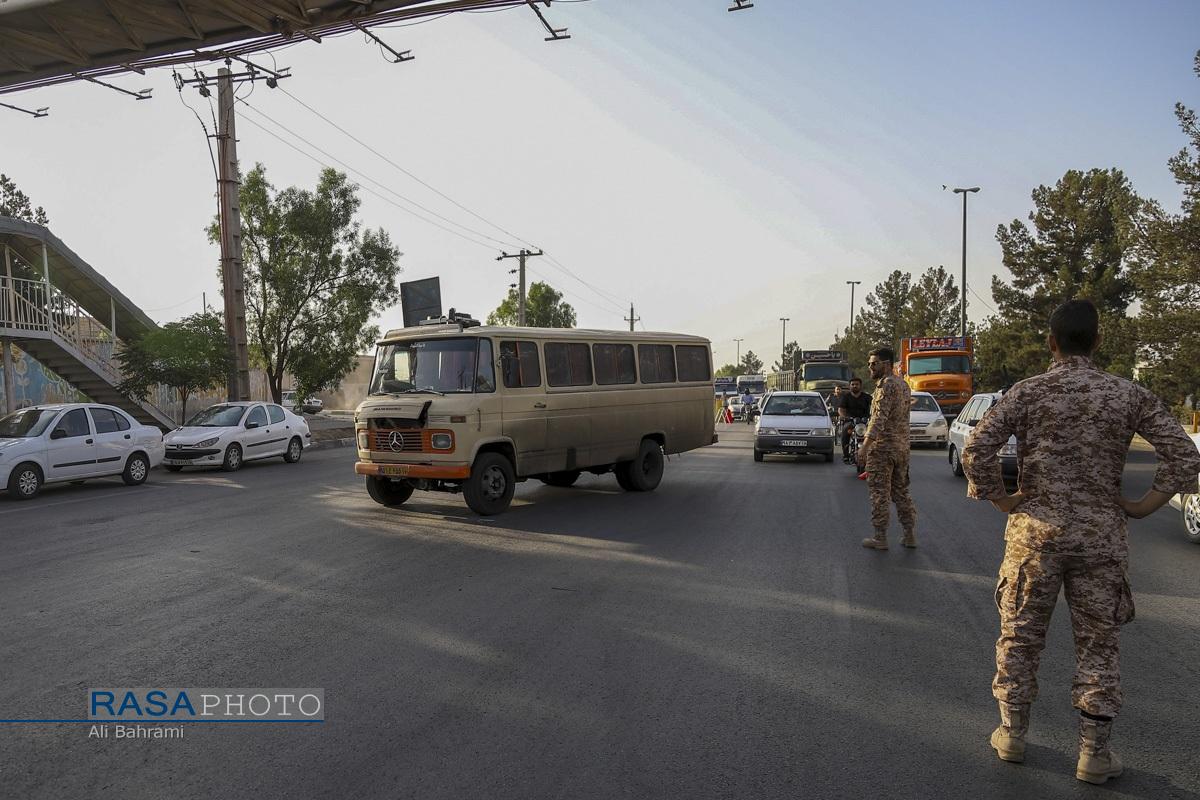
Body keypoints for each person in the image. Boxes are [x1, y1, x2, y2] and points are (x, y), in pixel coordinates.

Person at [962, 299, 1200, 785]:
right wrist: (1145, 504)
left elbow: (977, 447)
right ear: (1097, 341)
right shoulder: (1127, 394)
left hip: (1034, 538)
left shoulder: (1028, 392)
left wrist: (1002, 500)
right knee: (1098, 644)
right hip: (1100, 540)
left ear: (1051, 342)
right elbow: (1184, 454)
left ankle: (1012, 734)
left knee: (1020, 636)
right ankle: (1093, 754)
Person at [857, 349, 917, 549]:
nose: (870, 367)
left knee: (879, 494)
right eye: (869, 364)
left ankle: (880, 537)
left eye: (874, 363)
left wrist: (865, 447)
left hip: (883, 449)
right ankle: (909, 535)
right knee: (901, 492)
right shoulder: (903, 385)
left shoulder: (886, 386)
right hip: (902, 448)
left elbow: (878, 420)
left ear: (886, 364)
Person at [838, 377, 872, 463]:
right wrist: (843, 416)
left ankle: (874, 455)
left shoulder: (867, 397)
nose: (854, 386)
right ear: (849, 386)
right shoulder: (846, 397)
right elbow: (841, 409)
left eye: (857, 384)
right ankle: (846, 455)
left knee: (874, 433)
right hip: (851, 421)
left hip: (865, 421)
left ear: (860, 386)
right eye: (852, 384)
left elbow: (874, 407)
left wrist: (872, 416)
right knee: (845, 431)